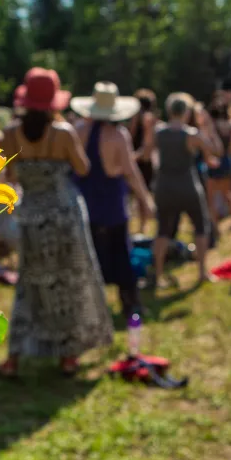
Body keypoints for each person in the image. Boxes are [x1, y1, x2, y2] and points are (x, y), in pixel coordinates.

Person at [0, 68, 113, 377]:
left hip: (31, 215)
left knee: (29, 285)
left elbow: (8, 176)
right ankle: (68, 356)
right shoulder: (62, 133)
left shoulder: (10, 133)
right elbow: (83, 168)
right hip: (64, 215)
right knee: (70, 282)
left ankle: (15, 357)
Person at [72, 82, 155, 317]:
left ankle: (87, 309)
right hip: (112, 206)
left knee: (89, 258)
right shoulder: (118, 135)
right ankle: (131, 305)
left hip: (85, 204)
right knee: (121, 254)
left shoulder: (77, 130)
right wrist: (146, 200)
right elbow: (130, 172)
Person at [153, 93, 220, 286]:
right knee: (200, 226)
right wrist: (208, 128)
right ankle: (202, 272)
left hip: (164, 186)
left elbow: (147, 153)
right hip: (188, 185)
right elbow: (215, 151)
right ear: (186, 112)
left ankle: (157, 275)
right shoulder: (191, 134)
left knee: (162, 230)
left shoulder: (158, 132)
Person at [207, 97, 231, 231]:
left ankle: (214, 226)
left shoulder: (211, 125)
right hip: (228, 159)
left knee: (211, 195)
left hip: (214, 160)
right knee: (227, 193)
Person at [129, 89, 158, 234]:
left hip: (140, 161)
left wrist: (133, 156)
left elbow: (147, 147)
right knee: (139, 196)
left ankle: (141, 229)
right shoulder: (145, 118)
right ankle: (141, 227)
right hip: (139, 160)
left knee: (140, 196)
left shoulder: (146, 119)